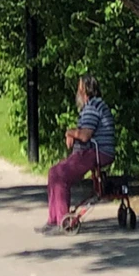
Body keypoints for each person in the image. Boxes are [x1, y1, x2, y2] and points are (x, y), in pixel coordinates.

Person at [38, 74, 115, 236]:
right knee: (54, 172)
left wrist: (70, 132)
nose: (77, 91)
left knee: (60, 175)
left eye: (79, 87)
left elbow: (85, 135)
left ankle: (62, 222)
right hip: (89, 151)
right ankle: (54, 219)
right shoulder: (91, 107)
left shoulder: (93, 107)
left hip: (95, 152)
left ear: (85, 89)